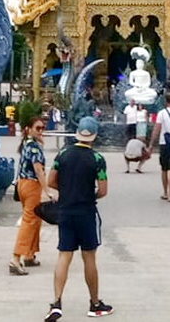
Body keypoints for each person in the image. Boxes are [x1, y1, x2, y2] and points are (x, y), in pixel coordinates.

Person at [44, 117, 112, 320]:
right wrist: (88, 194)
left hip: (65, 211)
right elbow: (103, 190)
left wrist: (67, 190)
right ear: (94, 136)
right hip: (86, 212)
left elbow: (51, 181)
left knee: (64, 255)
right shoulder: (97, 159)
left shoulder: (63, 154)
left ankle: (56, 303)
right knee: (89, 257)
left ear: (78, 134)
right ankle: (95, 303)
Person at [11, 116, 49, 275]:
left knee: (35, 219)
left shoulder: (27, 143)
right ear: (29, 129)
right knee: (29, 221)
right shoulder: (34, 146)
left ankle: (29, 254)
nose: (41, 131)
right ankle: (16, 257)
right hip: (32, 185)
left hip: (23, 185)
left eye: (43, 128)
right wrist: (47, 189)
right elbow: (38, 169)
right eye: (38, 128)